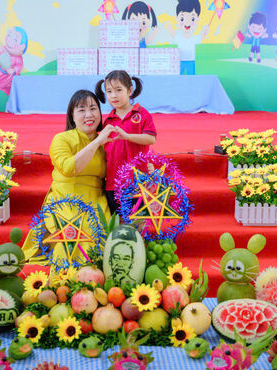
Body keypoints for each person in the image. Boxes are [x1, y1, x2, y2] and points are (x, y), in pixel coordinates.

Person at [22, 90, 114, 265]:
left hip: (96, 198)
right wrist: (97, 142)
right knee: (76, 231)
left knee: (99, 233)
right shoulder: (61, 139)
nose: (89, 115)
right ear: (72, 116)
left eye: (93, 108)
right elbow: (69, 168)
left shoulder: (107, 142)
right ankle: (69, 272)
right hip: (65, 198)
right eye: (81, 110)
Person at [95, 70, 157, 214]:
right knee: (118, 220)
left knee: (138, 220)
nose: (113, 95)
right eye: (109, 91)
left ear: (129, 90)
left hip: (137, 180)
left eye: (118, 90)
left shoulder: (141, 113)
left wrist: (127, 136)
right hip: (113, 182)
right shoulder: (108, 120)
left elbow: (151, 138)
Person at [166, 0, 209, 75]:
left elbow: (203, 35)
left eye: (192, 19)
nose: (187, 22)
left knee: (191, 76)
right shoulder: (178, 38)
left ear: (198, 19)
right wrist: (169, 27)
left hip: (192, 62)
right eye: (182, 19)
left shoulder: (196, 38)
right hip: (180, 62)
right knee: (180, 76)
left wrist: (206, 30)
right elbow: (172, 33)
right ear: (177, 18)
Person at [0, 27, 28, 95]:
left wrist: (14, 70)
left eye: (15, 40)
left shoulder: (18, 57)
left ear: (22, 47)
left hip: (11, 76)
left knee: (11, 83)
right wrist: (7, 68)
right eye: (9, 35)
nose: (10, 40)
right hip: (1, 71)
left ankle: (10, 89)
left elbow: (19, 65)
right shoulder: (3, 49)